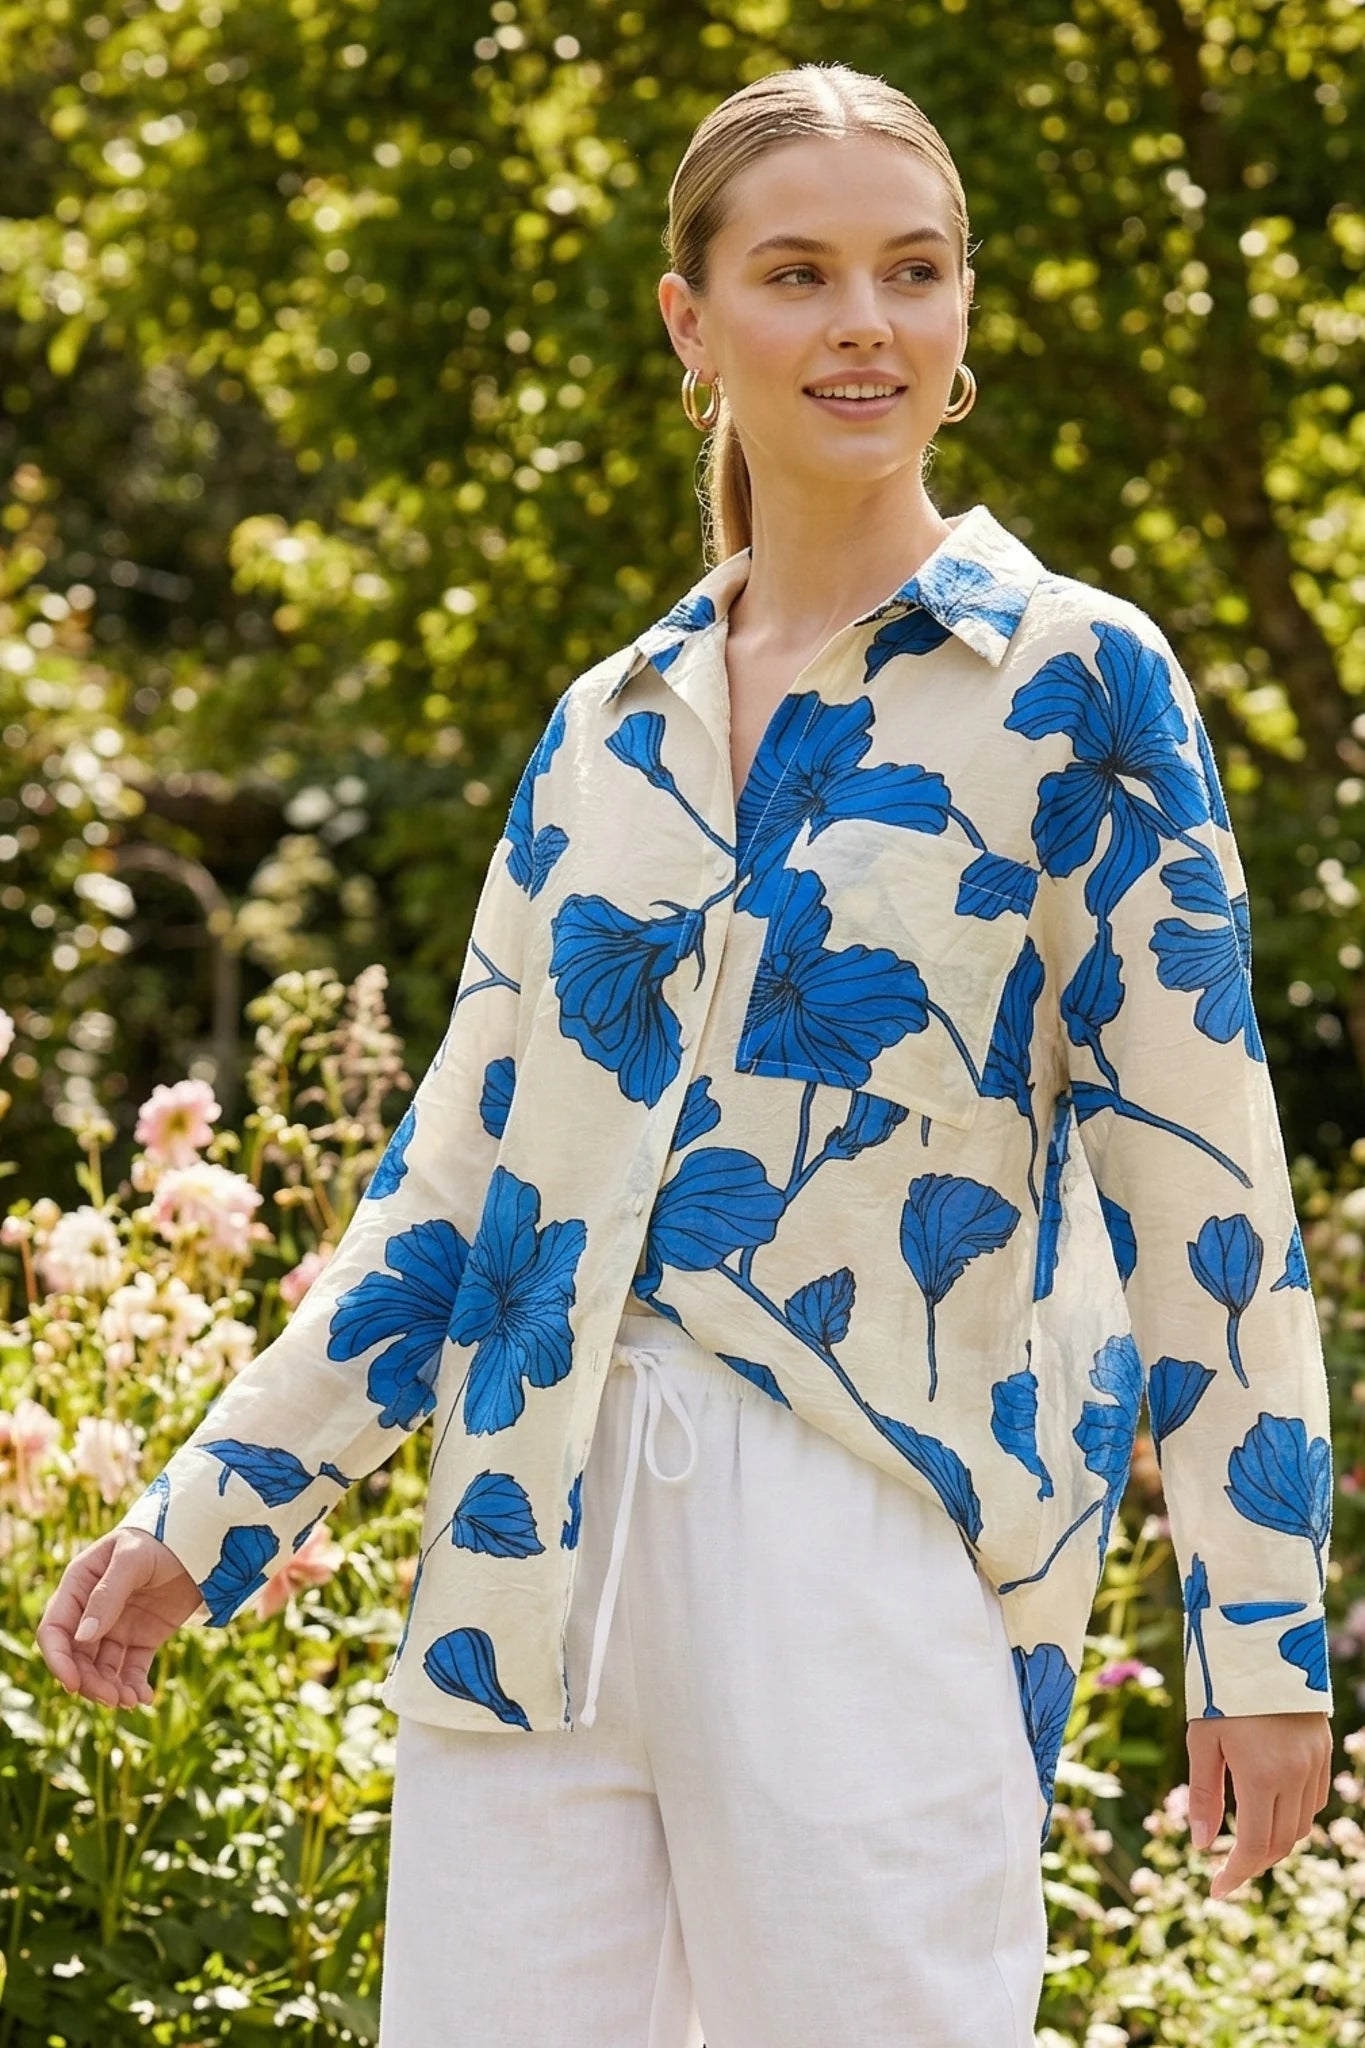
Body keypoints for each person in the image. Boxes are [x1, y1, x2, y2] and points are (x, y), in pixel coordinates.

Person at [38, 61, 1335, 2048]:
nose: (862, 324)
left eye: (911, 271)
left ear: (961, 311)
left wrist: (1258, 1631)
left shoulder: (1074, 683)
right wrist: (211, 1509)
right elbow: (456, 1176)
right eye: (796, 273)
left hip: (863, 1531)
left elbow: (1205, 1174)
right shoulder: (606, 728)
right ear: (690, 319)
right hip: (522, 1539)